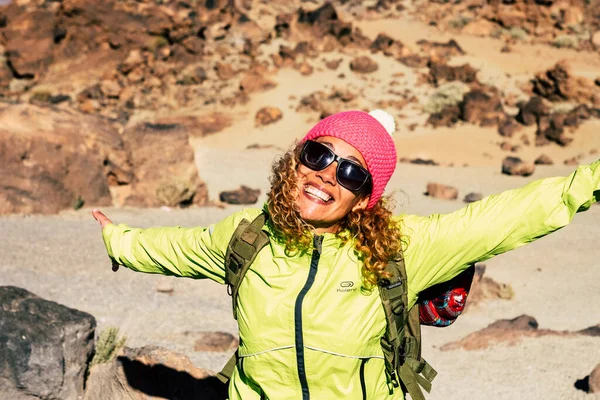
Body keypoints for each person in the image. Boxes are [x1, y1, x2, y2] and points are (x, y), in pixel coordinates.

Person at [93, 109, 600, 400]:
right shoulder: (245, 237)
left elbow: (511, 215)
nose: (327, 176)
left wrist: (591, 183)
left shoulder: (401, 247)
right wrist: (119, 240)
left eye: (352, 173)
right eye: (319, 156)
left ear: (364, 198)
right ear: (296, 160)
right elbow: (173, 247)